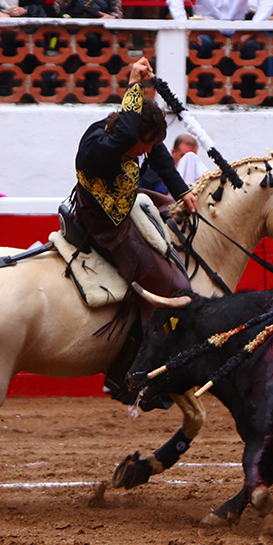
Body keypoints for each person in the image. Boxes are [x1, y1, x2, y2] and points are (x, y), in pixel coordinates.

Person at [72, 56, 197, 403]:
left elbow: (158, 156)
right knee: (168, 287)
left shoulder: (130, 138)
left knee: (168, 215)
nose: (148, 151)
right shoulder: (101, 145)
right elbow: (129, 133)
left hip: (125, 205)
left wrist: (182, 192)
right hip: (104, 223)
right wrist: (133, 84)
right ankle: (124, 376)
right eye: (145, 143)